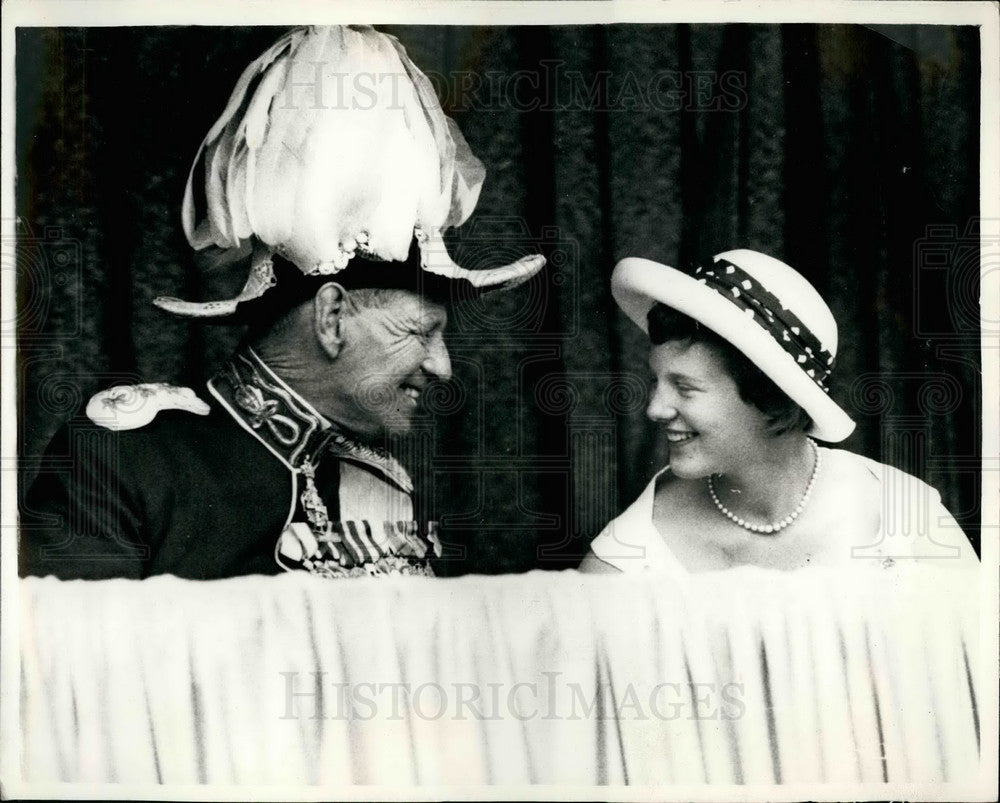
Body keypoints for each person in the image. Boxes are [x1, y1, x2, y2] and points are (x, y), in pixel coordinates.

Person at [19, 25, 544, 581]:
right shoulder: (121, 460)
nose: (444, 366)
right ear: (332, 318)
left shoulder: (382, 485)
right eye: (420, 332)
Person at [579, 249, 978, 574]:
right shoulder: (628, 558)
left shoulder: (903, 518)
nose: (655, 409)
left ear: (773, 398)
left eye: (685, 387)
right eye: (656, 381)